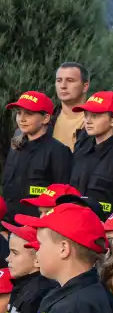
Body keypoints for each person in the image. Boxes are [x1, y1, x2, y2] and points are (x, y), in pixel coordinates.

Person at [4, 91, 73, 222]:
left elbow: (63, 198)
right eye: (19, 113)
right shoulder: (16, 145)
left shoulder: (59, 151)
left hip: (38, 229)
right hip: (9, 225)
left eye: (29, 114)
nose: (22, 119)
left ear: (45, 118)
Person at [50, 62, 90, 150]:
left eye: (70, 80)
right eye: (59, 80)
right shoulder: (47, 119)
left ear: (85, 86)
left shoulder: (98, 122)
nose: (63, 86)